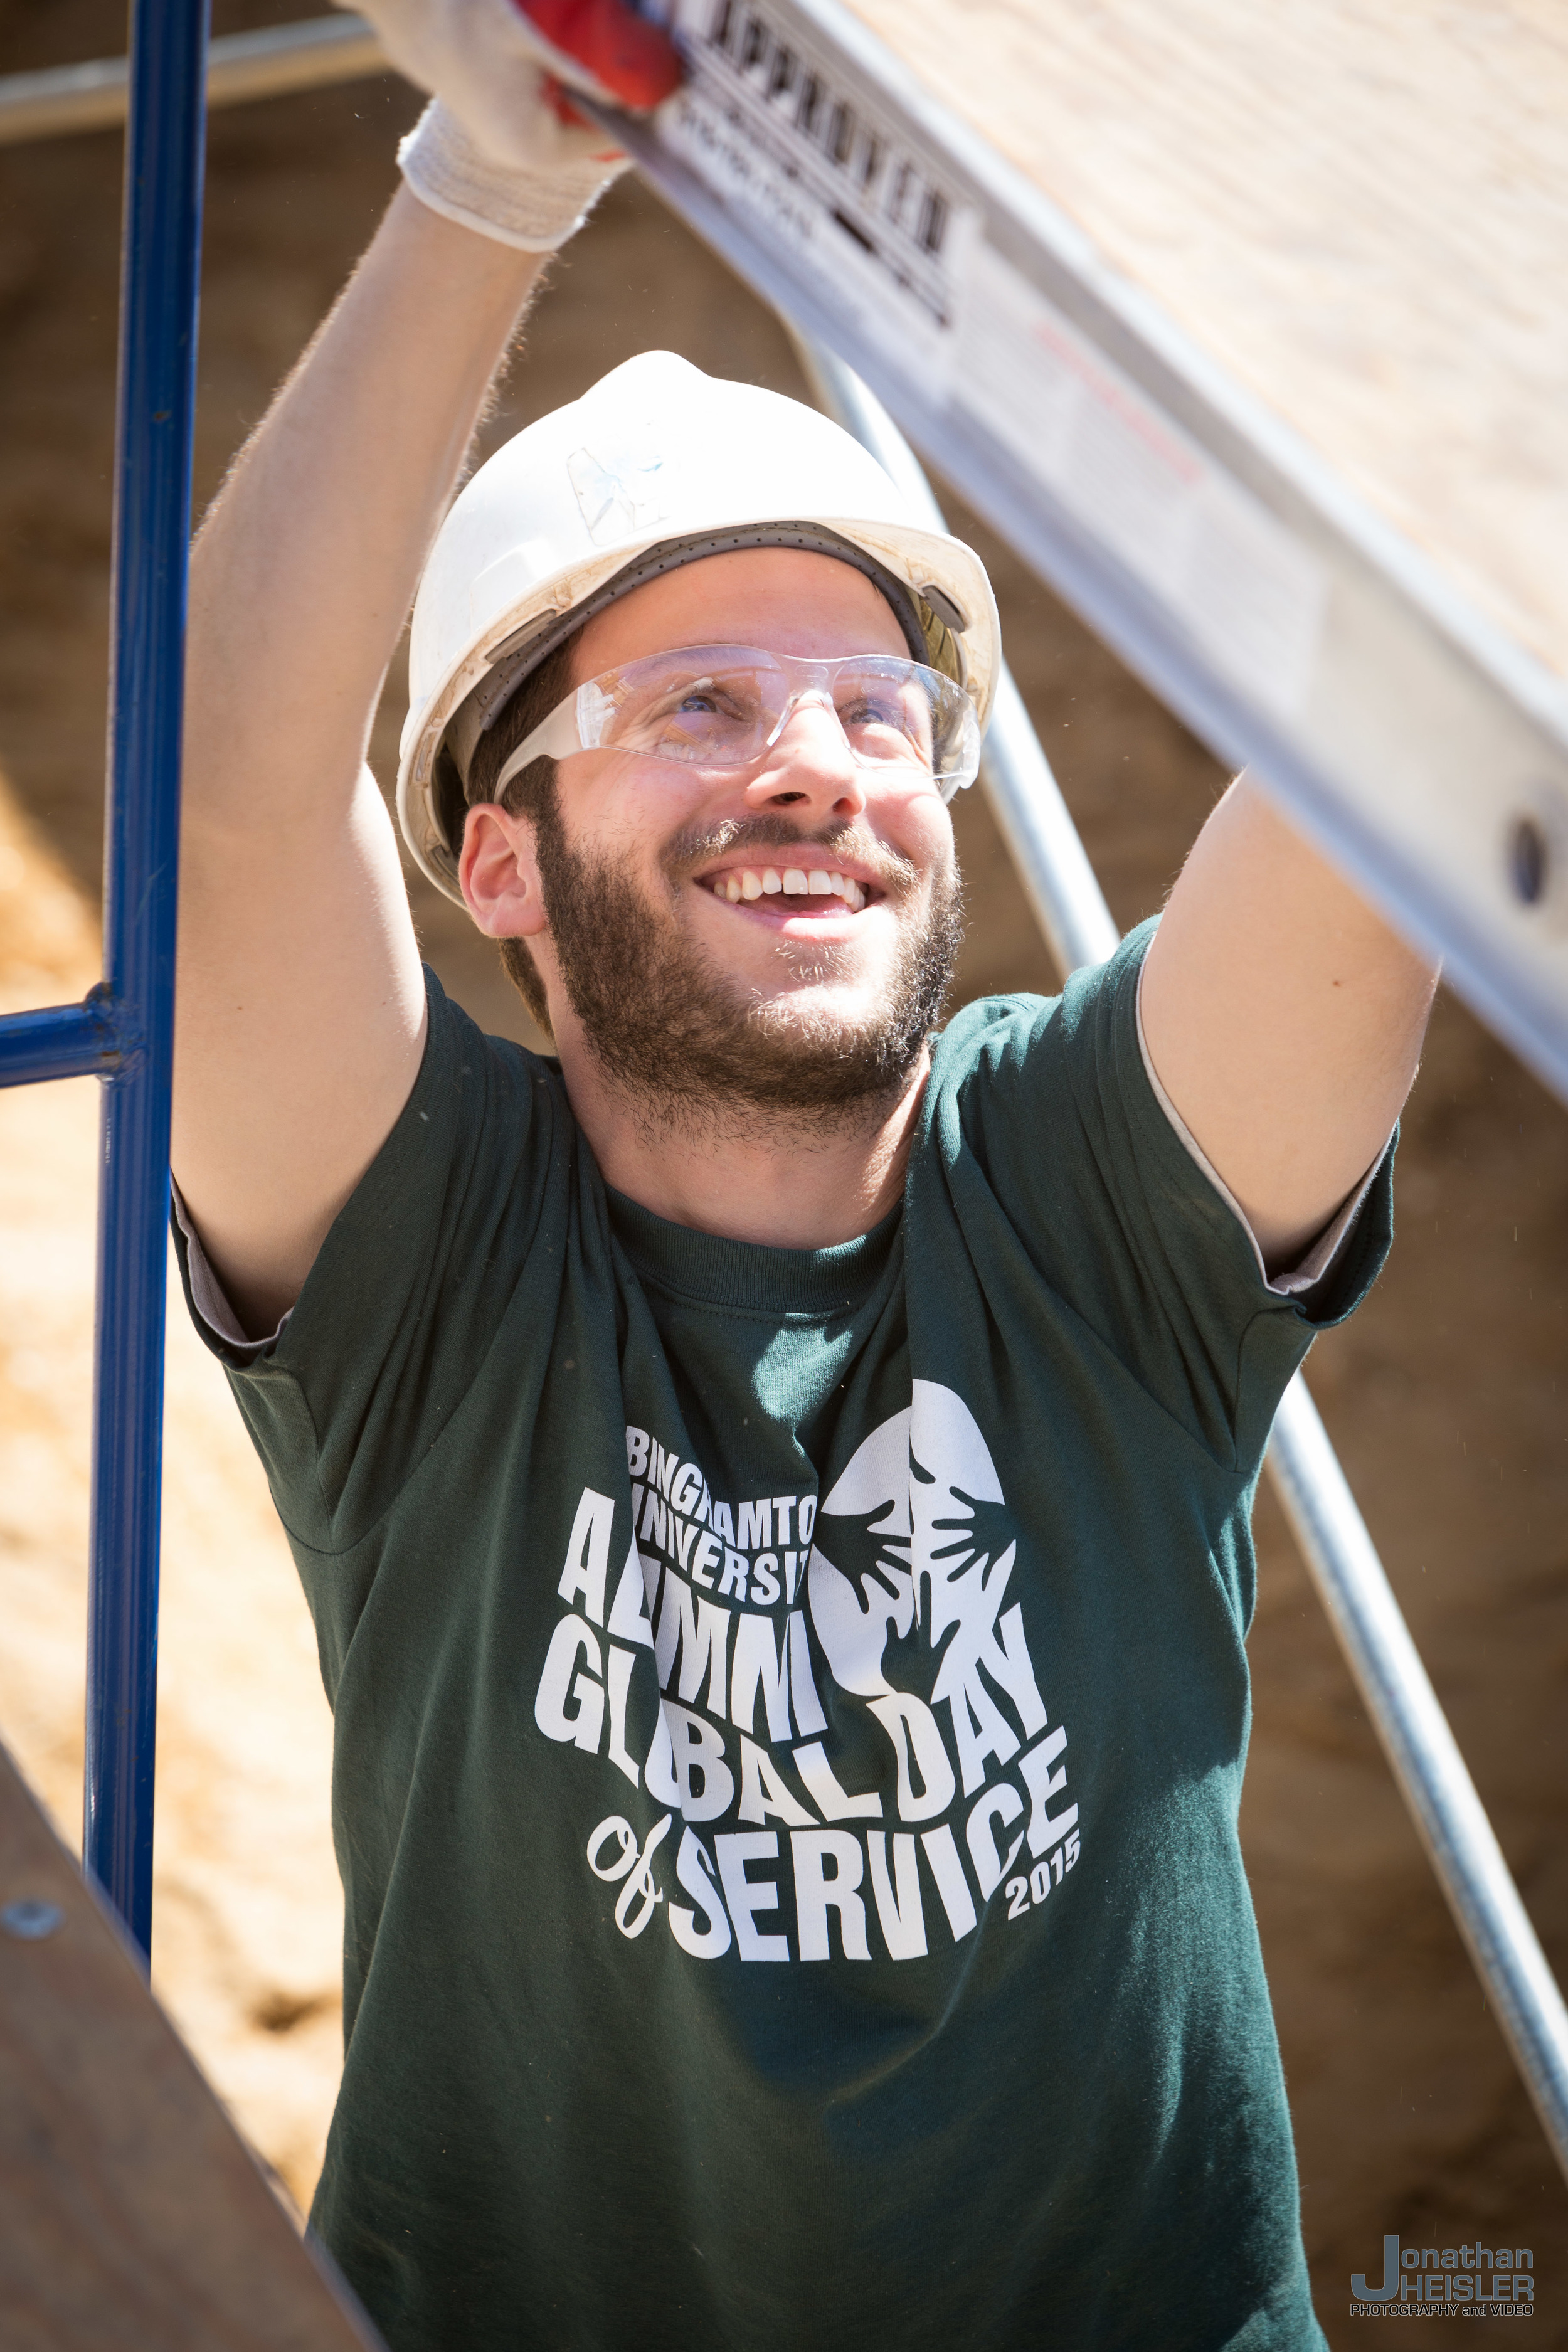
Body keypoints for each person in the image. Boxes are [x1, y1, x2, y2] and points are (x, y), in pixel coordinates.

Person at [171, 2, 1438, 2344]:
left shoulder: (1080, 1200)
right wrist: (490, 170)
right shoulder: (436, 1261)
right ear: (499, 862)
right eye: (696, 710)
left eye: (882, 712)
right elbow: (230, 803)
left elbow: (1405, 767)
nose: (819, 768)